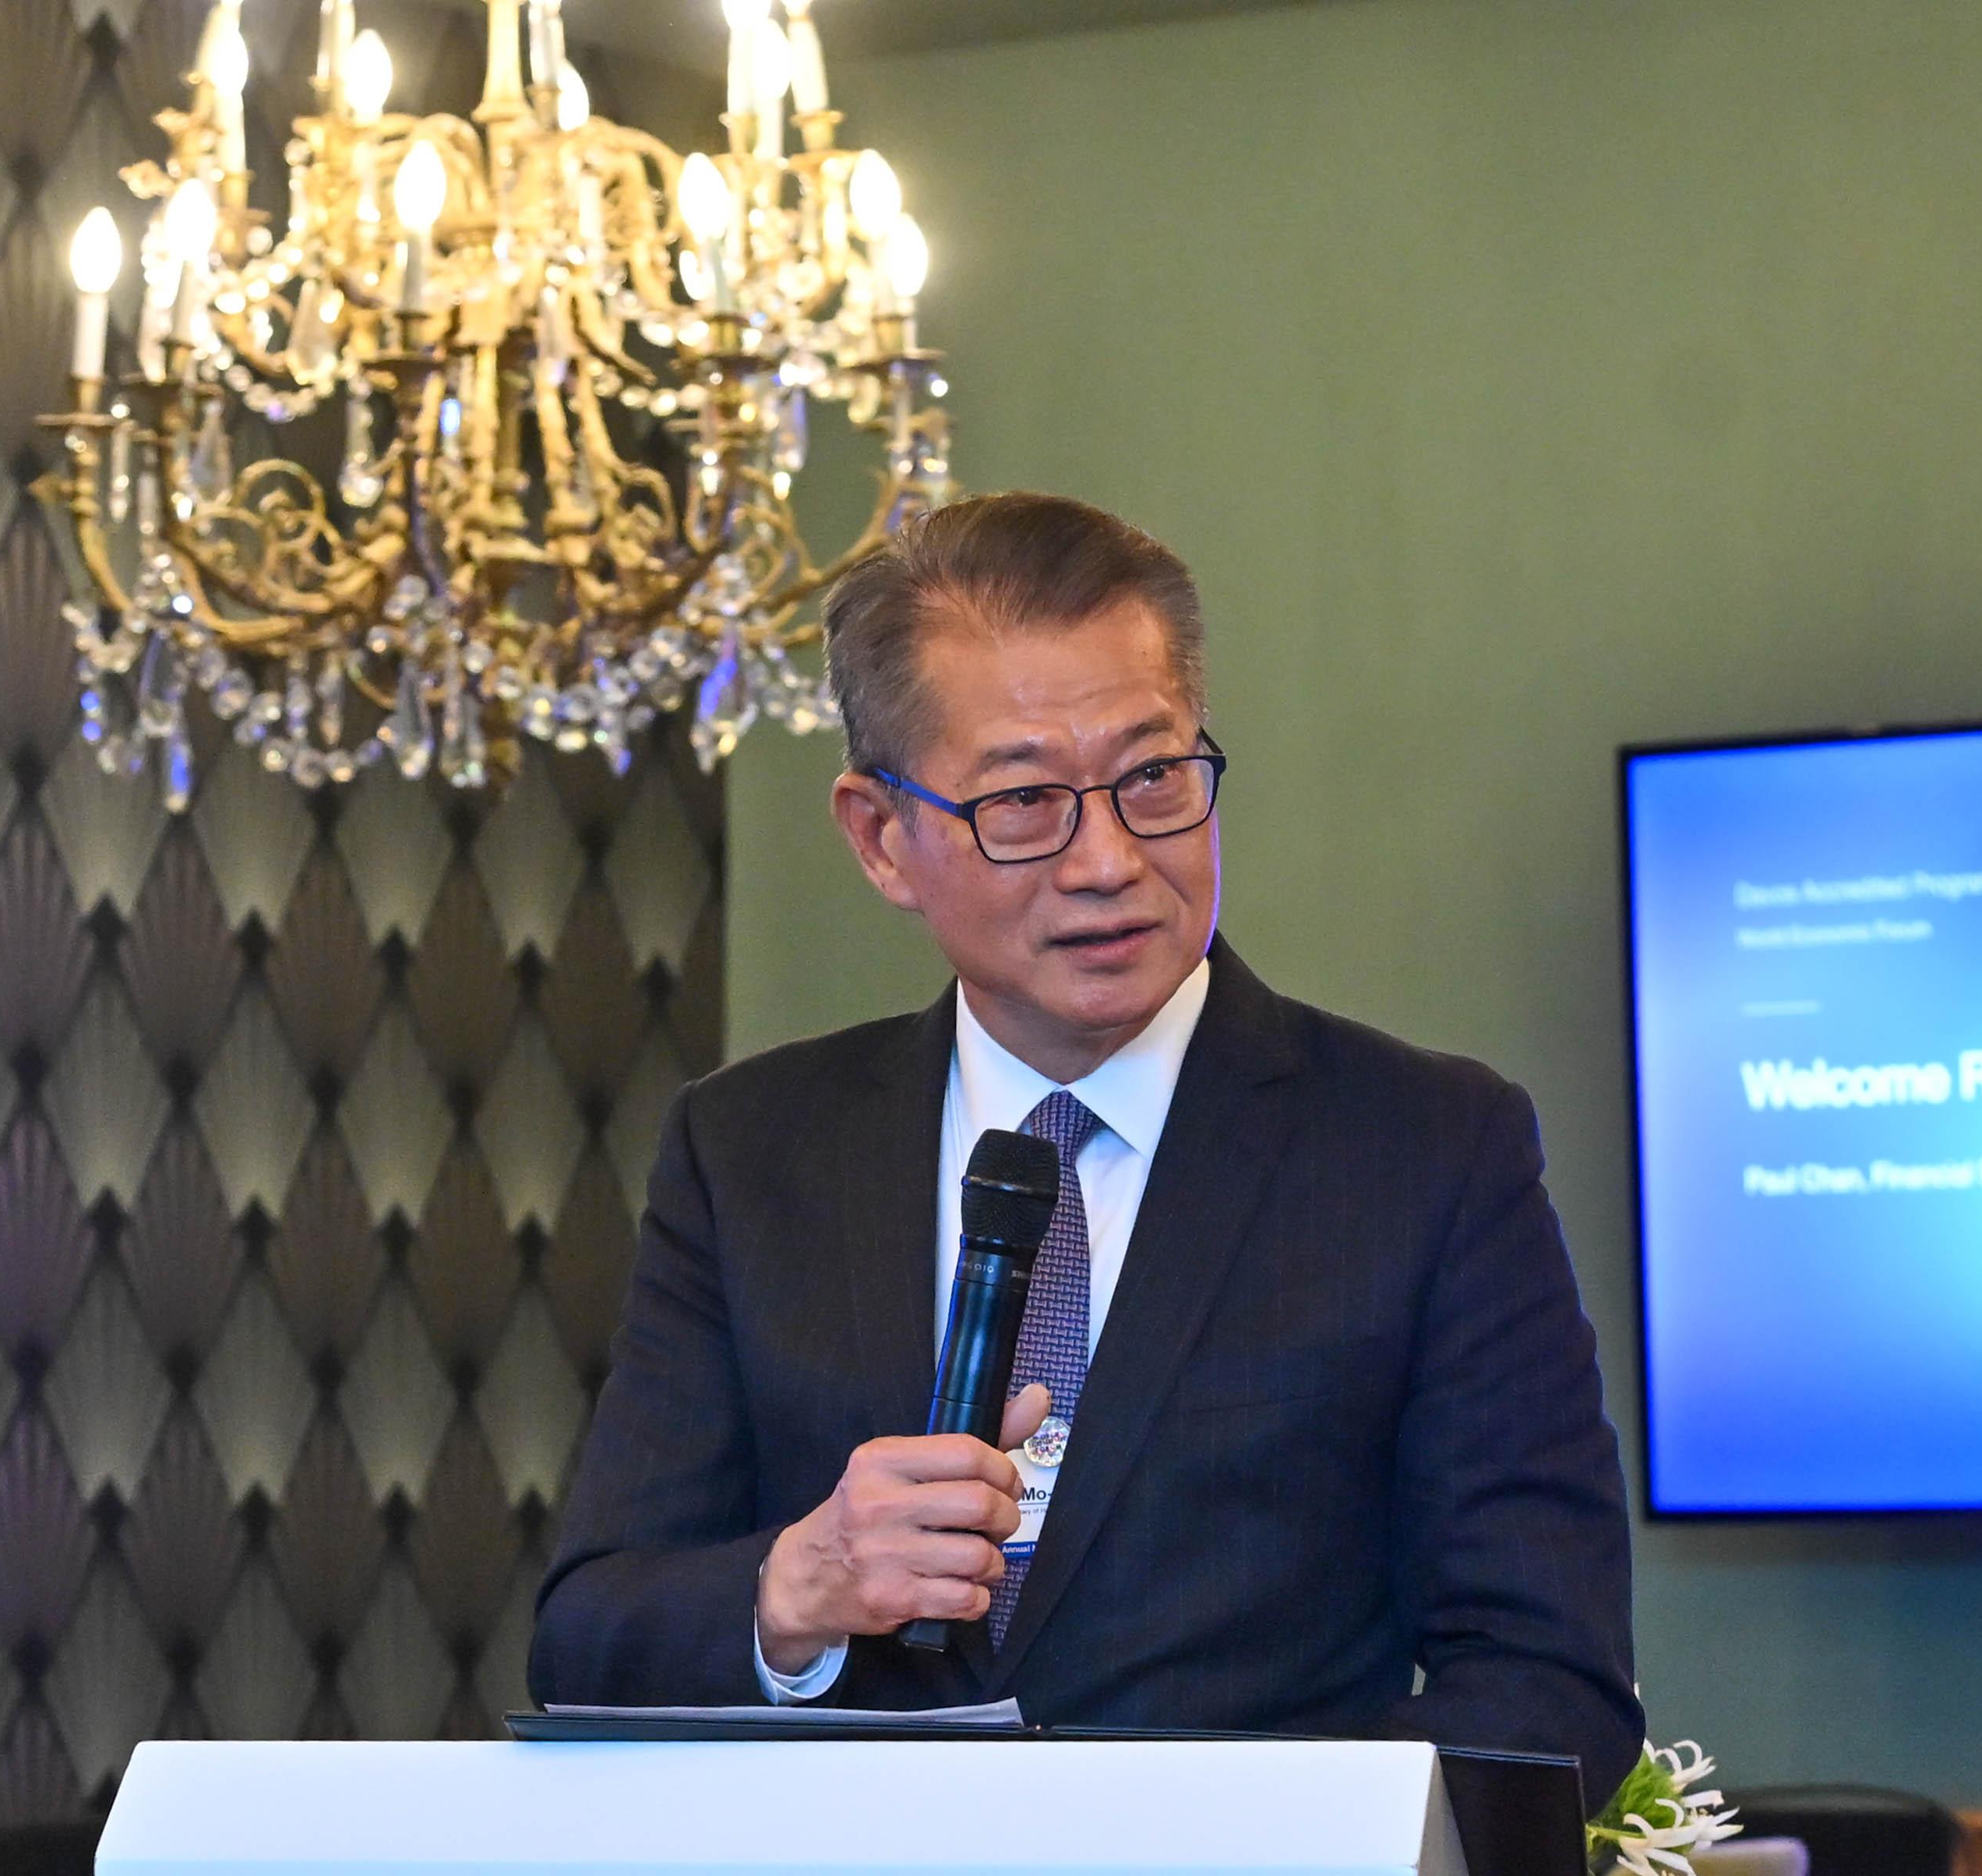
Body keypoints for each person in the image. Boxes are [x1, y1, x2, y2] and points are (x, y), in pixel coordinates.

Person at [528, 492, 1642, 1806]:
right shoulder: (752, 1149)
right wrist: (799, 1589)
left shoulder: (1427, 1150)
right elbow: (586, 1634)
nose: (1109, 859)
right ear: (882, 838)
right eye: (1025, 802)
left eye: (1153, 778)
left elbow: (1548, 1683)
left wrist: (1223, 1856)